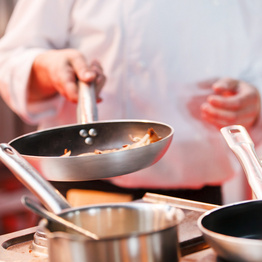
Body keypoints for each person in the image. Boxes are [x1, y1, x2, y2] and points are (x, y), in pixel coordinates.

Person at [0, 0, 262, 205]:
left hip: (201, 198)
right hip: (82, 186)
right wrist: (46, 70)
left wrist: (256, 100)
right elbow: (12, 59)